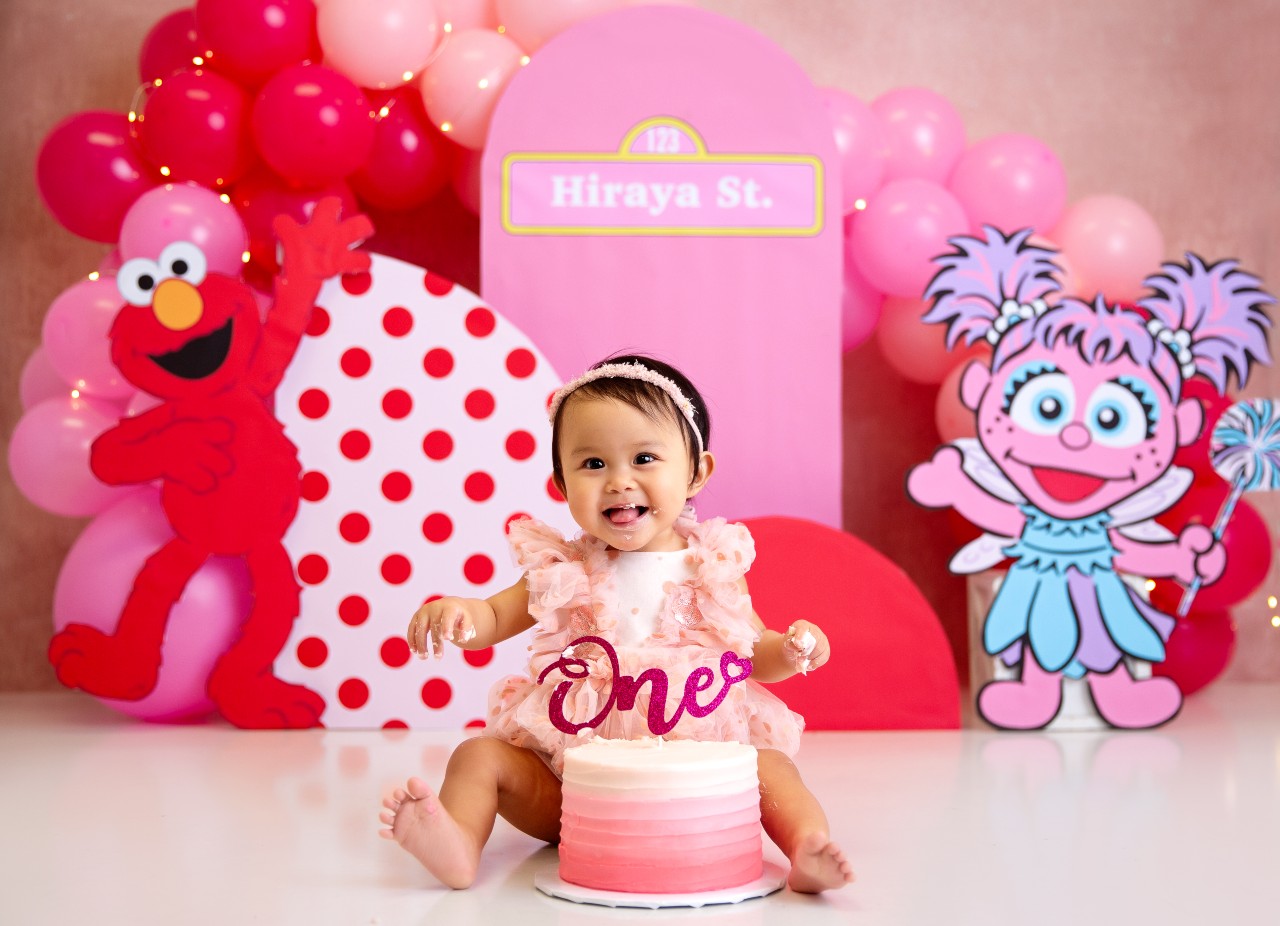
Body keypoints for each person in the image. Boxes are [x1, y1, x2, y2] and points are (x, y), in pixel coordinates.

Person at [378, 354, 854, 893]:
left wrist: (789, 651)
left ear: (696, 472)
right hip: (577, 796)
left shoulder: (710, 567)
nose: (619, 481)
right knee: (478, 755)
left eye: (644, 458)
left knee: (770, 770)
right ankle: (458, 843)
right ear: (562, 483)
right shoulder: (564, 569)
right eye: (593, 464)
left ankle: (807, 847)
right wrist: (461, 613)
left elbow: (752, 653)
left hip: (698, 789)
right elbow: (494, 617)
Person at [907, 226, 1272, 730]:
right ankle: (1033, 696)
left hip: (1100, 589)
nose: (1076, 436)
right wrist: (957, 488)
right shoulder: (1029, 513)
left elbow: (1130, 550)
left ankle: (1120, 695)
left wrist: (1179, 558)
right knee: (1038, 642)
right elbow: (1005, 519)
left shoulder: (1111, 525)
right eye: (1047, 407)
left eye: (1113, 418)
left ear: (1181, 423)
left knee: (1107, 643)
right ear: (979, 390)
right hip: (1039, 587)